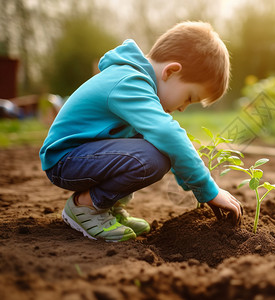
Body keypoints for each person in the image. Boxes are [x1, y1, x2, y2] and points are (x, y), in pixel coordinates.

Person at [39, 21, 242, 242]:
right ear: (171, 71)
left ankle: (108, 207)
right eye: (189, 97)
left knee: (156, 147)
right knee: (152, 157)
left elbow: (166, 142)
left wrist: (192, 182)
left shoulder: (135, 79)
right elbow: (168, 134)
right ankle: (85, 207)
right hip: (65, 160)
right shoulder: (130, 82)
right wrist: (208, 189)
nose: (183, 107)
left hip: (81, 156)